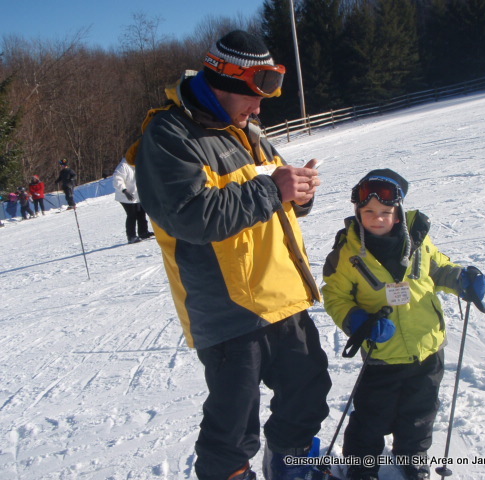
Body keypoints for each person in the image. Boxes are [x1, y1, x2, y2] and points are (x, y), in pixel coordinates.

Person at [134, 30, 335, 480]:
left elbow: (274, 194)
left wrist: (298, 193)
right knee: (232, 430)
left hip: (282, 296)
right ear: (221, 83)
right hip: (229, 310)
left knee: (307, 395)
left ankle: (293, 470)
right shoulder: (168, 134)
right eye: (251, 97)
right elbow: (190, 216)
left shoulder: (249, 132)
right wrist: (273, 189)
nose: (259, 108)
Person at [322, 169, 485, 480]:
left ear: (397, 213)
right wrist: (357, 321)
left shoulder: (419, 240)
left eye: (385, 212)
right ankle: (361, 467)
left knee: (420, 413)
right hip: (382, 353)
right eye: (368, 211)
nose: (376, 218)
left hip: (427, 347)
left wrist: (462, 280)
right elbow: (335, 296)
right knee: (372, 417)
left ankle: (412, 457)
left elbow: (439, 269)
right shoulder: (345, 253)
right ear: (358, 212)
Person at [112, 157, 153, 244]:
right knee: (132, 215)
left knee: (141, 213)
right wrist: (124, 190)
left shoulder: (137, 164)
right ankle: (131, 236)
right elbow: (117, 179)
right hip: (125, 197)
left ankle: (143, 232)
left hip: (136, 195)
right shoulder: (123, 166)